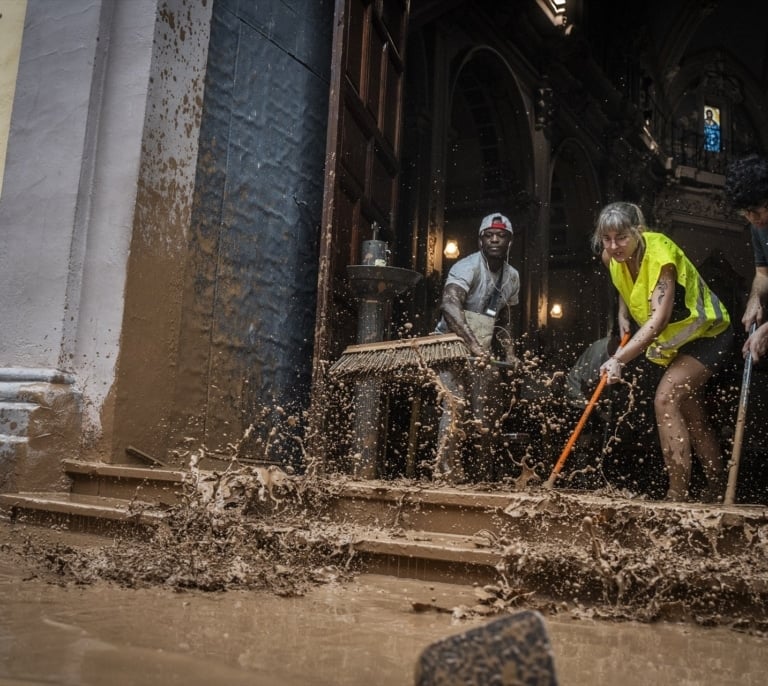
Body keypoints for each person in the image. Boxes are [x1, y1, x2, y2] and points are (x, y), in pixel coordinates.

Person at [592, 202, 733, 502]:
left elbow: (658, 322)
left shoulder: (660, 257)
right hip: (678, 344)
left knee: (665, 398)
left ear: (639, 232)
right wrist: (622, 311)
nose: (614, 246)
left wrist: (618, 359)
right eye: (607, 239)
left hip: (709, 334)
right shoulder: (610, 257)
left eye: (621, 238)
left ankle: (676, 496)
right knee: (692, 415)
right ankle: (717, 489)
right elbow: (623, 281)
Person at [433, 213, 521, 482]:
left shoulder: (512, 277)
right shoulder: (467, 267)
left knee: (486, 412)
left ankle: (480, 475)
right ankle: (446, 473)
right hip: (451, 346)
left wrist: (510, 353)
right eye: (488, 235)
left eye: (501, 236)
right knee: (455, 406)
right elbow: (449, 304)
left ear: (509, 242)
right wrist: (473, 346)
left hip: (480, 350)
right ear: (480, 240)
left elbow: (505, 319)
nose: (494, 240)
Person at [724, 154, 768, 362]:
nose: (752, 218)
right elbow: (763, 273)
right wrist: (755, 298)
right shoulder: (758, 226)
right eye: (745, 212)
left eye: (756, 211)